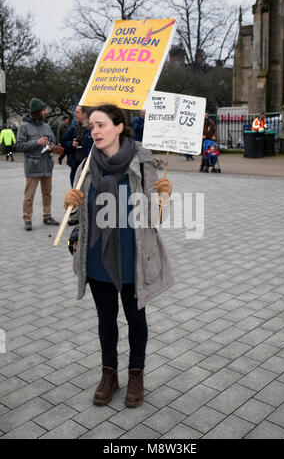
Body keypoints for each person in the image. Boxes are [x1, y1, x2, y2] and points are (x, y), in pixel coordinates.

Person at [63, 104, 174, 408]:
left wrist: (163, 196)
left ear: (119, 127)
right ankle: (108, 373)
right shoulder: (88, 163)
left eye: (101, 125)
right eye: (92, 126)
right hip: (98, 254)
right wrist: (70, 202)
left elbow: (157, 217)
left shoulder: (143, 160)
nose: (94, 131)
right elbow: (77, 213)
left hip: (134, 255)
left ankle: (136, 374)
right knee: (105, 317)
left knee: (135, 317)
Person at [16, 97, 60, 231]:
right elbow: (19, 146)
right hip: (32, 166)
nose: (46, 112)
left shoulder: (46, 126)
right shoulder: (24, 127)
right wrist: (37, 142)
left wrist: (51, 145)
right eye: (43, 110)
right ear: (37, 111)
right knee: (29, 195)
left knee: (47, 193)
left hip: (47, 165)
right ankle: (27, 219)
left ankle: (47, 216)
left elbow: (53, 140)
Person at [62, 105, 93, 187]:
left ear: (85, 113)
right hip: (75, 166)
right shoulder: (73, 127)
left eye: (77, 112)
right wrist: (71, 144)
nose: (75, 114)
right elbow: (64, 141)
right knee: (75, 190)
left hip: (89, 167)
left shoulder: (93, 127)